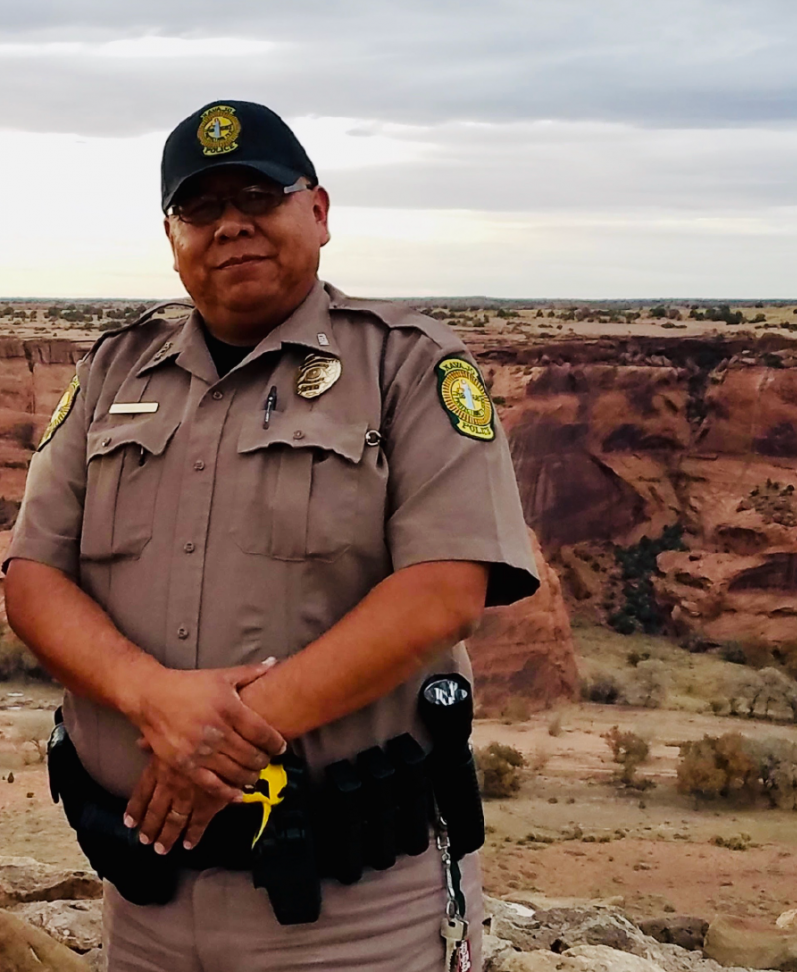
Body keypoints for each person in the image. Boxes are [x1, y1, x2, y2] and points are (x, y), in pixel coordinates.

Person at [3, 99, 538, 972]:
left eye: (259, 195)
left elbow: (445, 592)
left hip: (355, 915)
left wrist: (218, 739)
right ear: (170, 236)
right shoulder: (111, 371)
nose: (232, 226)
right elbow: (31, 577)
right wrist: (150, 699)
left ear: (318, 212)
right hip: (146, 900)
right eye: (202, 208)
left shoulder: (405, 364)